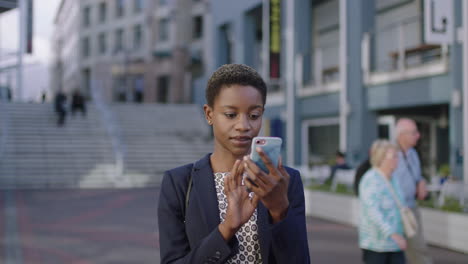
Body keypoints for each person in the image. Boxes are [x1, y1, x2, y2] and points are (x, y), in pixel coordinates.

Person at [157, 64, 310, 263]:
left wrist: (279, 211)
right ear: (209, 114)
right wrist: (227, 228)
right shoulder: (179, 183)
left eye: (254, 116)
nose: (244, 126)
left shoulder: (283, 182)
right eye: (231, 115)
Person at [359, 139, 407, 264]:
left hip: (395, 243)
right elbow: (373, 212)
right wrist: (392, 234)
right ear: (381, 158)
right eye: (394, 156)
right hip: (376, 244)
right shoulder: (371, 179)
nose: (397, 159)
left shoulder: (394, 178)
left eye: (397, 156)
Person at [393, 118, 432, 264]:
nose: (418, 135)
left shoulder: (413, 154)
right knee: (393, 250)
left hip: (411, 208)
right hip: (395, 210)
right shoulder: (391, 155)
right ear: (402, 135)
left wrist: (421, 182)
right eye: (414, 132)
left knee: (418, 248)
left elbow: (416, 176)